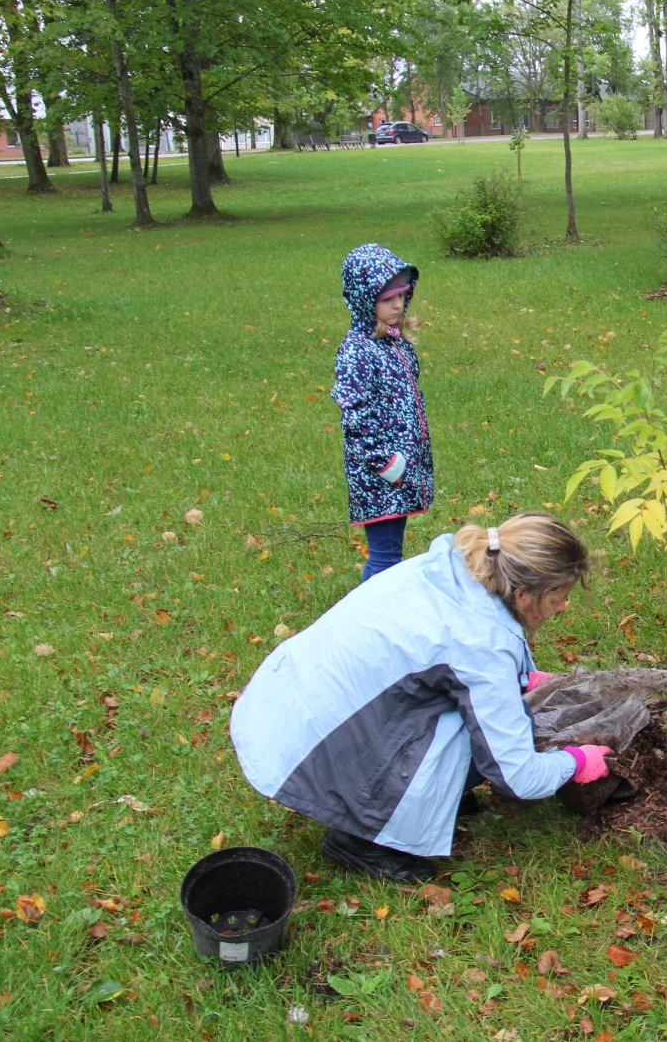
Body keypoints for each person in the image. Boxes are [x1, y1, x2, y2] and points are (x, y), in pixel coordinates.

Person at [230, 513, 612, 881]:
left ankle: (425, 799)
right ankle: (360, 839)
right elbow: (517, 778)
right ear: (524, 593)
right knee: (498, 732)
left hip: (285, 709)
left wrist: (518, 677)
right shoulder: (481, 641)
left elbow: (432, 654)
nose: (563, 608)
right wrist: (574, 762)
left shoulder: (451, 568)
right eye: (558, 596)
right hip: (314, 748)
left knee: (497, 712)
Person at [334, 243, 435, 581]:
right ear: (365, 298)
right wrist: (387, 463)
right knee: (385, 559)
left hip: (398, 470)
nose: (397, 305)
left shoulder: (393, 343)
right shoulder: (357, 351)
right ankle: (370, 622)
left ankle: (380, 618)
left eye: (402, 296)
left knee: (390, 554)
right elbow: (356, 419)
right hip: (380, 475)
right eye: (387, 298)